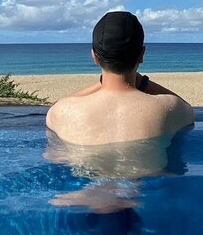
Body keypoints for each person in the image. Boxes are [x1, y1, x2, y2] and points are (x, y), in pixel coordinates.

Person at [46, 11, 194, 146]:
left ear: (95, 57)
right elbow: (188, 111)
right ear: (142, 54)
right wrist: (143, 82)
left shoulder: (62, 111)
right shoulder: (169, 108)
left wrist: (102, 83)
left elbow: (54, 109)